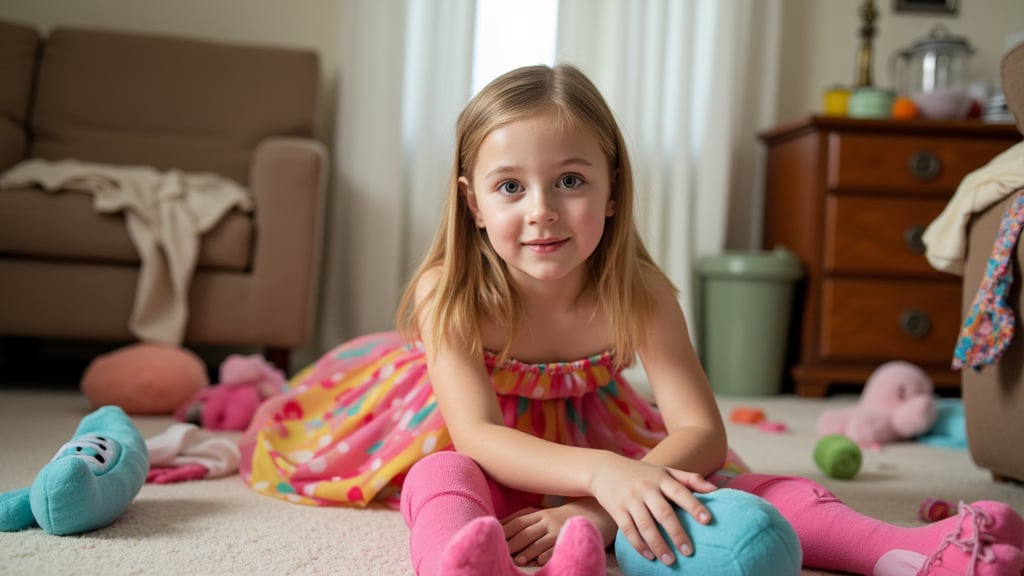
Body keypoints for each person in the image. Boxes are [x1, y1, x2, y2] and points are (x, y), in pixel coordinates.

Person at [239, 64, 1024, 576]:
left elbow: (701, 431)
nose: (542, 212)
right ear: (473, 204)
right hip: (462, 427)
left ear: (612, 191)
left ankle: (911, 553)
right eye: (509, 187)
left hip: (590, 432)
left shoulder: (639, 289)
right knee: (444, 476)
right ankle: (459, 560)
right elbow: (477, 435)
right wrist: (605, 476)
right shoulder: (453, 289)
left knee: (723, 485)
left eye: (570, 180)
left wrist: (597, 503)